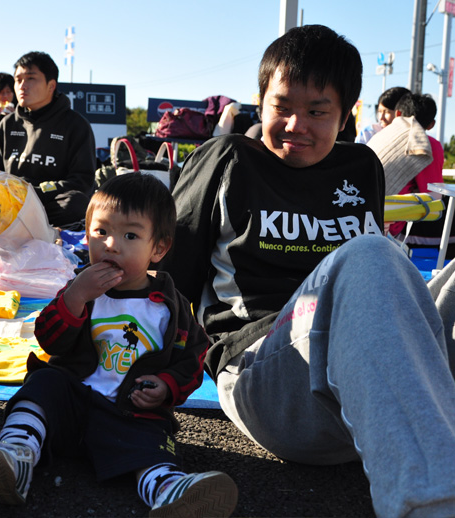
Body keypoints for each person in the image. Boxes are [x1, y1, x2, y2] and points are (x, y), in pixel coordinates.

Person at [163, 24, 455, 518]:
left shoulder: (361, 166)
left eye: (317, 112)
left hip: (364, 386)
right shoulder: (228, 159)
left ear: (346, 114)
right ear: (261, 102)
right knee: (371, 254)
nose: (296, 125)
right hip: (266, 375)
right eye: (281, 107)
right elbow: (164, 281)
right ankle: (433, 504)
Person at [0, 172, 238, 517]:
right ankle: (16, 453)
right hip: (70, 406)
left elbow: (192, 360)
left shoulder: (170, 307)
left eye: (130, 235)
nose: (111, 244)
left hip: (128, 413)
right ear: (86, 236)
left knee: (151, 440)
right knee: (43, 383)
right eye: (101, 232)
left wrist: (166, 386)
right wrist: (74, 298)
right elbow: (49, 339)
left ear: (158, 248)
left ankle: (168, 489)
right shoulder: (80, 289)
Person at [0, 51, 96, 228]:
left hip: (50, 204)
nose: (22, 86)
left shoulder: (76, 125)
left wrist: (34, 193)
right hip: (10, 203)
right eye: (18, 80)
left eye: (30, 78)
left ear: (51, 85)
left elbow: (82, 182)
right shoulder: (7, 124)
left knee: (76, 203)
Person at [368, 92, 444, 237]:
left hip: (359, 215)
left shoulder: (382, 135)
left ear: (397, 114)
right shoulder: (428, 145)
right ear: (431, 125)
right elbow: (434, 199)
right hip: (386, 223)